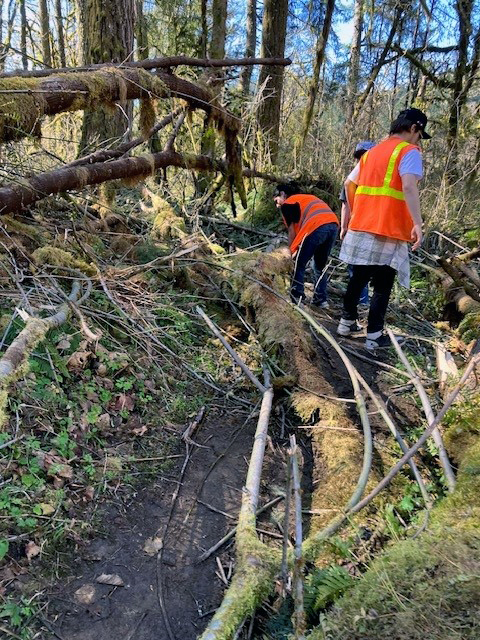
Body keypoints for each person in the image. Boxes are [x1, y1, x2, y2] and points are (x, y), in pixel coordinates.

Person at [337, 107, 430, 350]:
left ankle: (345, 323)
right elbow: (409, 186)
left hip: (362, 225)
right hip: (388, 228)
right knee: (382, 285)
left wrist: (356, 212)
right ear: (413, 129)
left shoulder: (372, 152)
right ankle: (374, 336)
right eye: (420, 134)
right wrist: (418, 223)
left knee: (357, 278)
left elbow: (349, 183)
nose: (419, 139)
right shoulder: (409, 151)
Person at [273, 184, 339, 307]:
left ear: (282, 194)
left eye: (276, 200)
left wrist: (290, 252)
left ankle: (297, 297)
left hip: (316, 225)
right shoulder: (305, 198)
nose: (277, 205)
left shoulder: (288, 203)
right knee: (319, 265)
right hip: (333, 225)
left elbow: (292, 231)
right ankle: (321, 300)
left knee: (298, 263)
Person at [339, 140, 377, 306]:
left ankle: (360, 303)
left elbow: (345, 206)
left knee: (359, 267)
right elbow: (345, 205)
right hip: (364, 228)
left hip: (365, 229)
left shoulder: (354, 179)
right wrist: (343, 227)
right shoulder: (375, 178)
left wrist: (344, 228)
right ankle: (361, 302)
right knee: (360, 267)